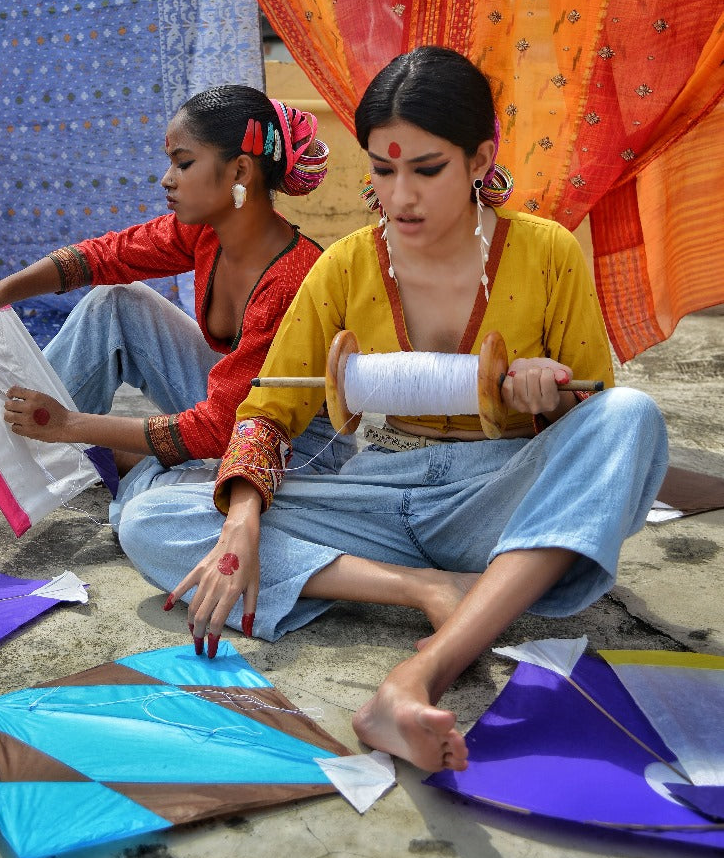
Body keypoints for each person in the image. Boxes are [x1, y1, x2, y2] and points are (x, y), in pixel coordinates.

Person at [116, 46, 669, 774]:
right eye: (381, 169)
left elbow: (589, 414)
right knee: (152, 516)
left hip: (489, 498)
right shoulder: (345, 264)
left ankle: (416, 676)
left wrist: (544, 394)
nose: (400, 195)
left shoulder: (546, 254)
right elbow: (270, 407)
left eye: (425, 169)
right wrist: (242, 522)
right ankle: (431, 590)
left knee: (630, 417)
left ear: (479, 159)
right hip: (371, 493)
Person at [0, 84, 356, 510]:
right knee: (116, 303)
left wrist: (67, 426)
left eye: (183, 162)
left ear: (239, 170)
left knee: (142, 513)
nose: (167, 179)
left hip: (293, 450)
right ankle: (2, 453)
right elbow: (106, 256)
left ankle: (90, 457)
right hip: (234, 413)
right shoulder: (204, 233)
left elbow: (221, 430)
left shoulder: (295, 279)